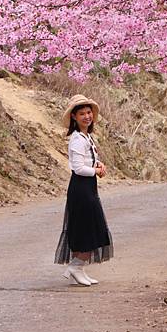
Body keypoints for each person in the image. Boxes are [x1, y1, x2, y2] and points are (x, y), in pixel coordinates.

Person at [54, 94, 114, 286]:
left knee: (88, 227)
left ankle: (78, 268)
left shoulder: (85, 136)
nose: (87, 116)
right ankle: (75, 266)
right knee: (89, 228)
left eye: (89, 113)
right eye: (82, 114)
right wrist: (95, 170)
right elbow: (78, 168)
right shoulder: (77, 139)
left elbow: (87, 161)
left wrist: (98, 165)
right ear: (74, 117)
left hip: (88, 187)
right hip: (81, 188)